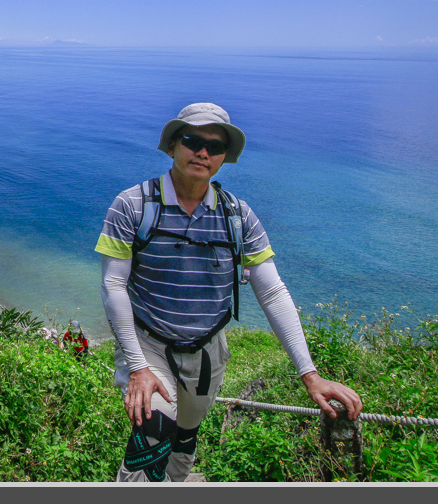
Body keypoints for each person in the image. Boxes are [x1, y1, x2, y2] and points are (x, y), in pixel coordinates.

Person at [96, 102, 362, 482]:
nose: (203, 152)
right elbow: (113, 284)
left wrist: (311, 375)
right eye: (192, 140)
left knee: (185, 439)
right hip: (149, 343)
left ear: (223, 158)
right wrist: (137, 366)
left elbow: (272, 293)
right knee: (154, 435)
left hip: (208, 352)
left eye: (215, 147)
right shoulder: (134, 205)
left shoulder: (238, 216)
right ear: (172, 145)